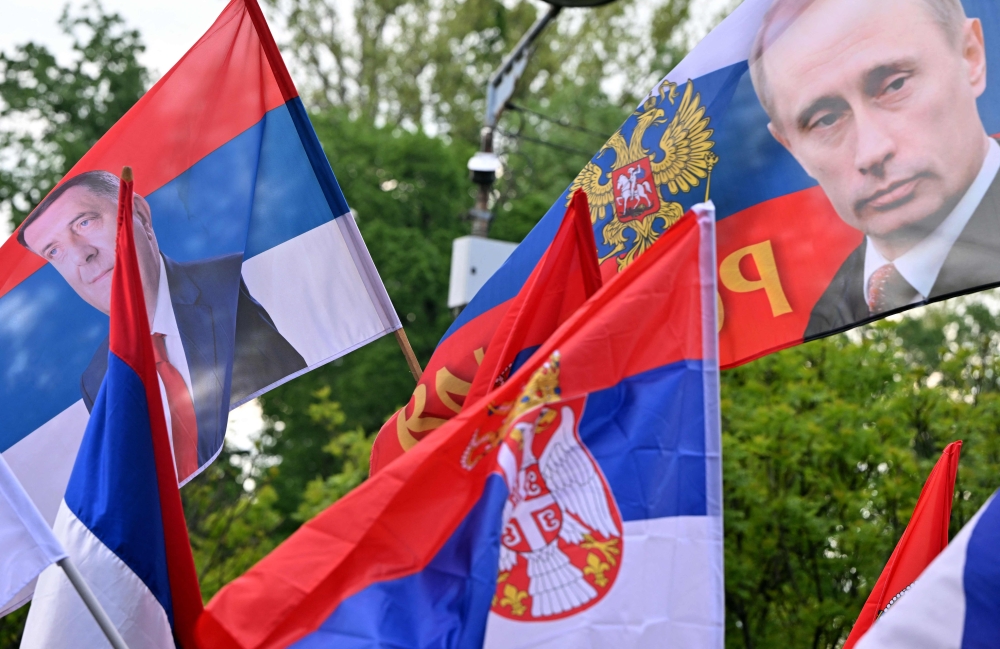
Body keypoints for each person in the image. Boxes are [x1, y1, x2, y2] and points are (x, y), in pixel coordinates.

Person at [18, 170, 306, 480]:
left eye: (85, 222)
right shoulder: (98, 380)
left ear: (140, 214)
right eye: (54, 251)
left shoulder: (232, 283)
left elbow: (303, 406)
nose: (80, 255)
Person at [749, 0, 1000, 338]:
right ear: (792, 149)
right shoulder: (824, 325)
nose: (871, 151)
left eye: (895, 85)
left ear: (970, 55)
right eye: (826, 120)